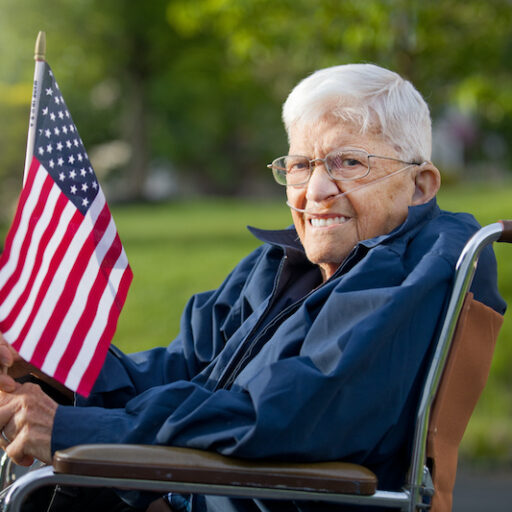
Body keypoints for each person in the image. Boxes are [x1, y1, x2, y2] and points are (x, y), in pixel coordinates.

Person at [0, 63, 506, 512]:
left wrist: (73, 429)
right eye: (301, 165)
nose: (316, 190)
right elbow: (179, 372)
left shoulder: (421, 270)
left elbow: (288, 415)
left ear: (421, 185)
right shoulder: (283, 264)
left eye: (349, 163)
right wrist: (51, 366)